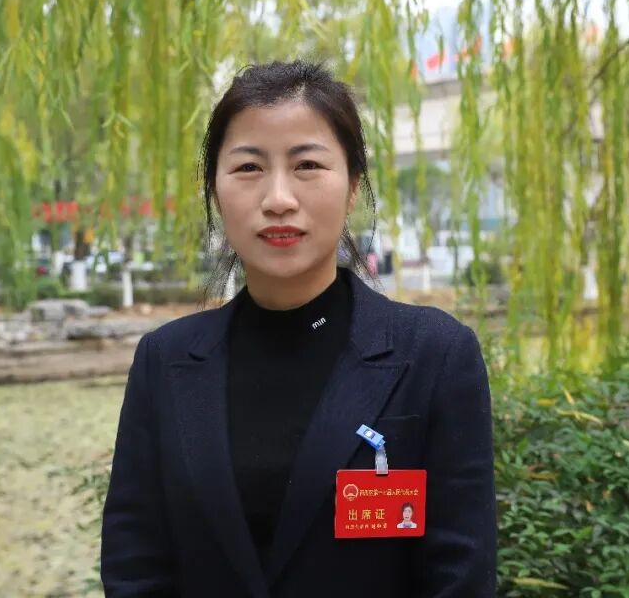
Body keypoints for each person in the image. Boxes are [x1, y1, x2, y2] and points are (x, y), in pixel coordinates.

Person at [100, 61, 496, 597]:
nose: (278, 199)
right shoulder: (164, 361)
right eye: (248, 167)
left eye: (307, 164)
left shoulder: (435, 356)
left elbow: (460, 577)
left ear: (352, 186)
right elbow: (136, 567)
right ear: (215, 190)